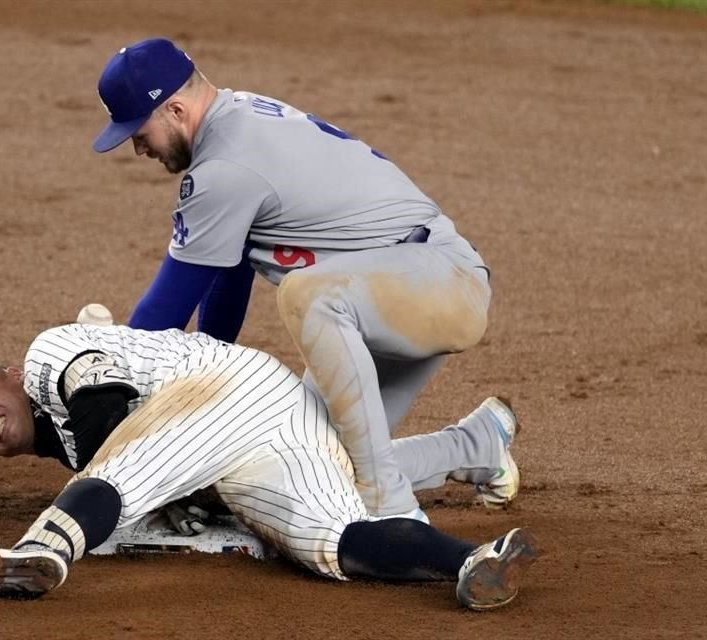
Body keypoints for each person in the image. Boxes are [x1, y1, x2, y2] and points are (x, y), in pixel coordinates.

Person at [91, 38, 503, 518]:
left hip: (436, 282)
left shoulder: (224, 167)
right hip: (388, 293)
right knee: (299, 461)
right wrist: (208, 381)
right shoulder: (235, 116)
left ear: (176, 111)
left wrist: (112, 399)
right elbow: (226, 275)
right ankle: (477, 445)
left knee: (307, 295)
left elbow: (163, 313)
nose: (137, 147)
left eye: (138, 131)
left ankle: (388, 503)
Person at [0, 321, 538, 611]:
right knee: (331, 541)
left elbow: (104, 415)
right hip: (273, 433)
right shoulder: (61, 438)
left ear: (12, 375)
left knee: (117, 474)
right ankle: (470, 561)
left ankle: (40, 551)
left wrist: (149, 499)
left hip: (222, 389)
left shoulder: (49, 351)